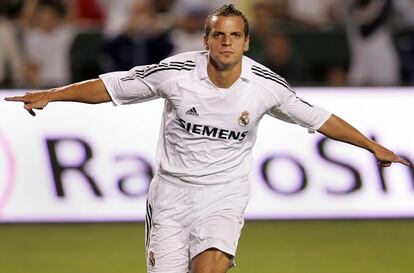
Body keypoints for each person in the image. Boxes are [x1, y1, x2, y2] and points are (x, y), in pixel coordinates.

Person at [4, 4, 409, 273]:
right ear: (206, 41)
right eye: (219, 35)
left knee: (210, 267)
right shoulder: (176, 73)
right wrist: (53, 95)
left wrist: (371, 145)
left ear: (246, 42)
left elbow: (319, 118)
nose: (227, 42)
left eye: (235, 36)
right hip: (171, 195)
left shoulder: (265, 85)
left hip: (224, 194)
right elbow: (110, 87)